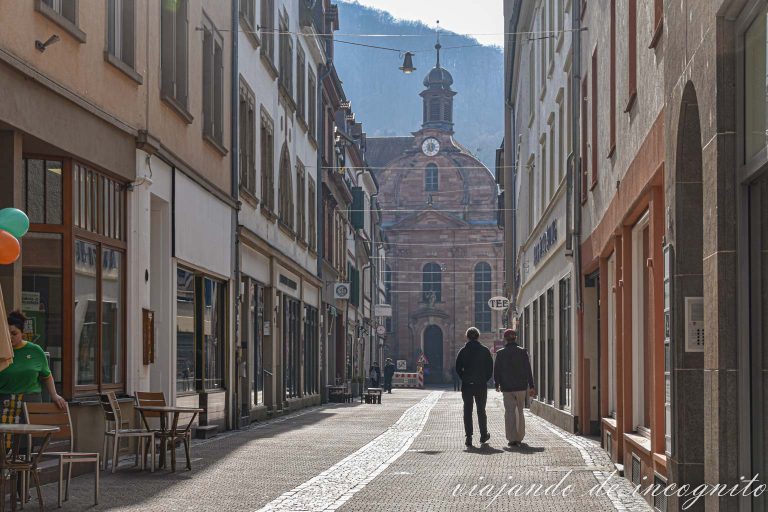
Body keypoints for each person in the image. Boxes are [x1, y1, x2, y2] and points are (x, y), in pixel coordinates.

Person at [0, 311, 66, 412]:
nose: (10, 337)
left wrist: (54, 395)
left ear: (22, 333)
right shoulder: (1, 351)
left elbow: (47, 376)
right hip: (4, 402)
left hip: (31, 402)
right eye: (7, 334)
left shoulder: (35, 350)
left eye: (14, 333)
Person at [494, 329, 536, 447]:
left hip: (507, 387)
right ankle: (520, 436)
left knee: (509, 412)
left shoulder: (500, 353)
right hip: (521, 387)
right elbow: (528, 370)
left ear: (505, 339)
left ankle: (511, 438)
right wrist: (531, 385)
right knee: (520, 411)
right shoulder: (522, 352)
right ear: (516, 338)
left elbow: (497, 370)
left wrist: (497, 383)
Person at [455, 327, 493, 447]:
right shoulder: (485, 350)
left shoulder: (463, 351)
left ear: (467, 337)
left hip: (467, 385)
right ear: (478, 336)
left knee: (467, 410)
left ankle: (469, 437)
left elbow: (457, 368)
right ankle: (483, 435)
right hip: (481, 384)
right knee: (481, 410)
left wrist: (464, 378)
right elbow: (490, 368)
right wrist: (484, 379)